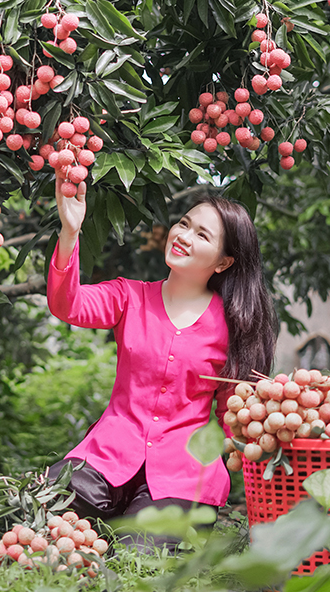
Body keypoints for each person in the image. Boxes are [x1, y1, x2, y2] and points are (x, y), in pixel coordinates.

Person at [45, 174, 278, 553]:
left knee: (139, 555)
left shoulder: (235, 328)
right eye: (184, 223)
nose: (184, 235)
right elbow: (67, 305)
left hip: (184, 477)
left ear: (223, 263)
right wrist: (71, 231)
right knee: (40, 512)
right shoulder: (129, 296)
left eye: (202, 235)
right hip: (107, 455)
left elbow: (237, 418)